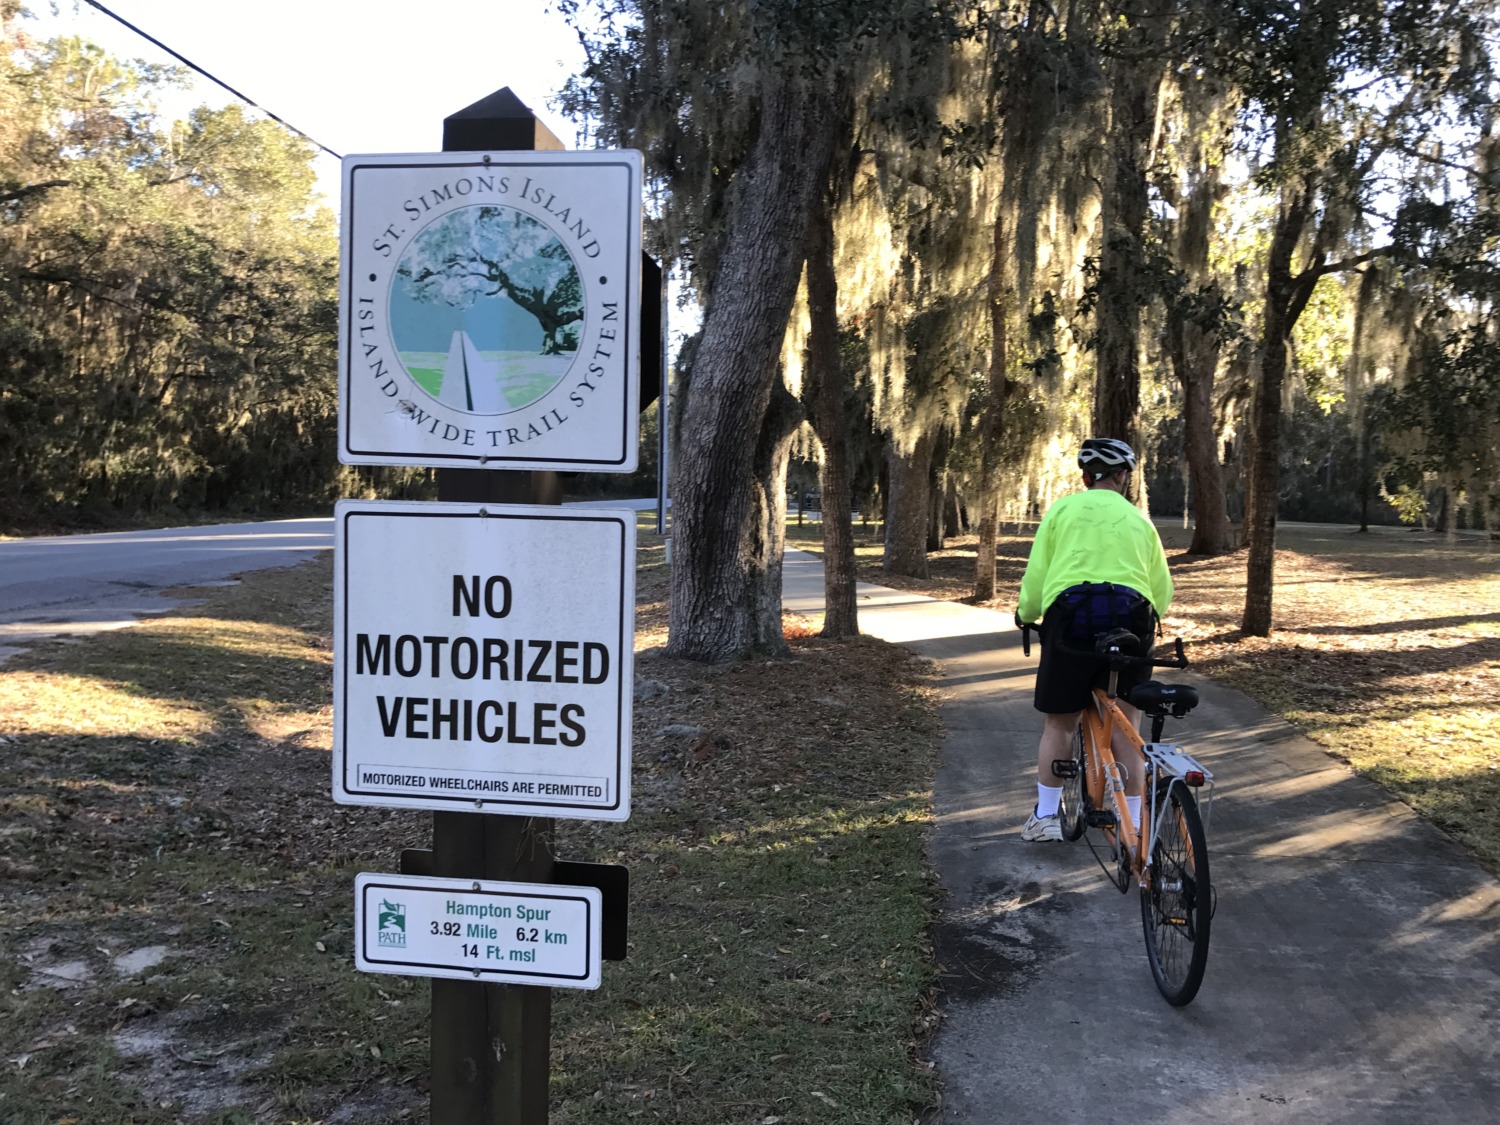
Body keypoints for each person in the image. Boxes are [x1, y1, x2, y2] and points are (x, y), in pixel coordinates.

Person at [1014, 437, 1173, 842]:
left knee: (1060, 722)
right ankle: (1133, 823)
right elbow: (1162, 591)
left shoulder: (1063, 510)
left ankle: (1047, 816)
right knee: (1126, 721)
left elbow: (1037, 575)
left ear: (1086, 477)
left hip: (1072, 620)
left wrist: (1028, 614)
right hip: (1132, 620)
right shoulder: (1140, 520)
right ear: (1123, 476)